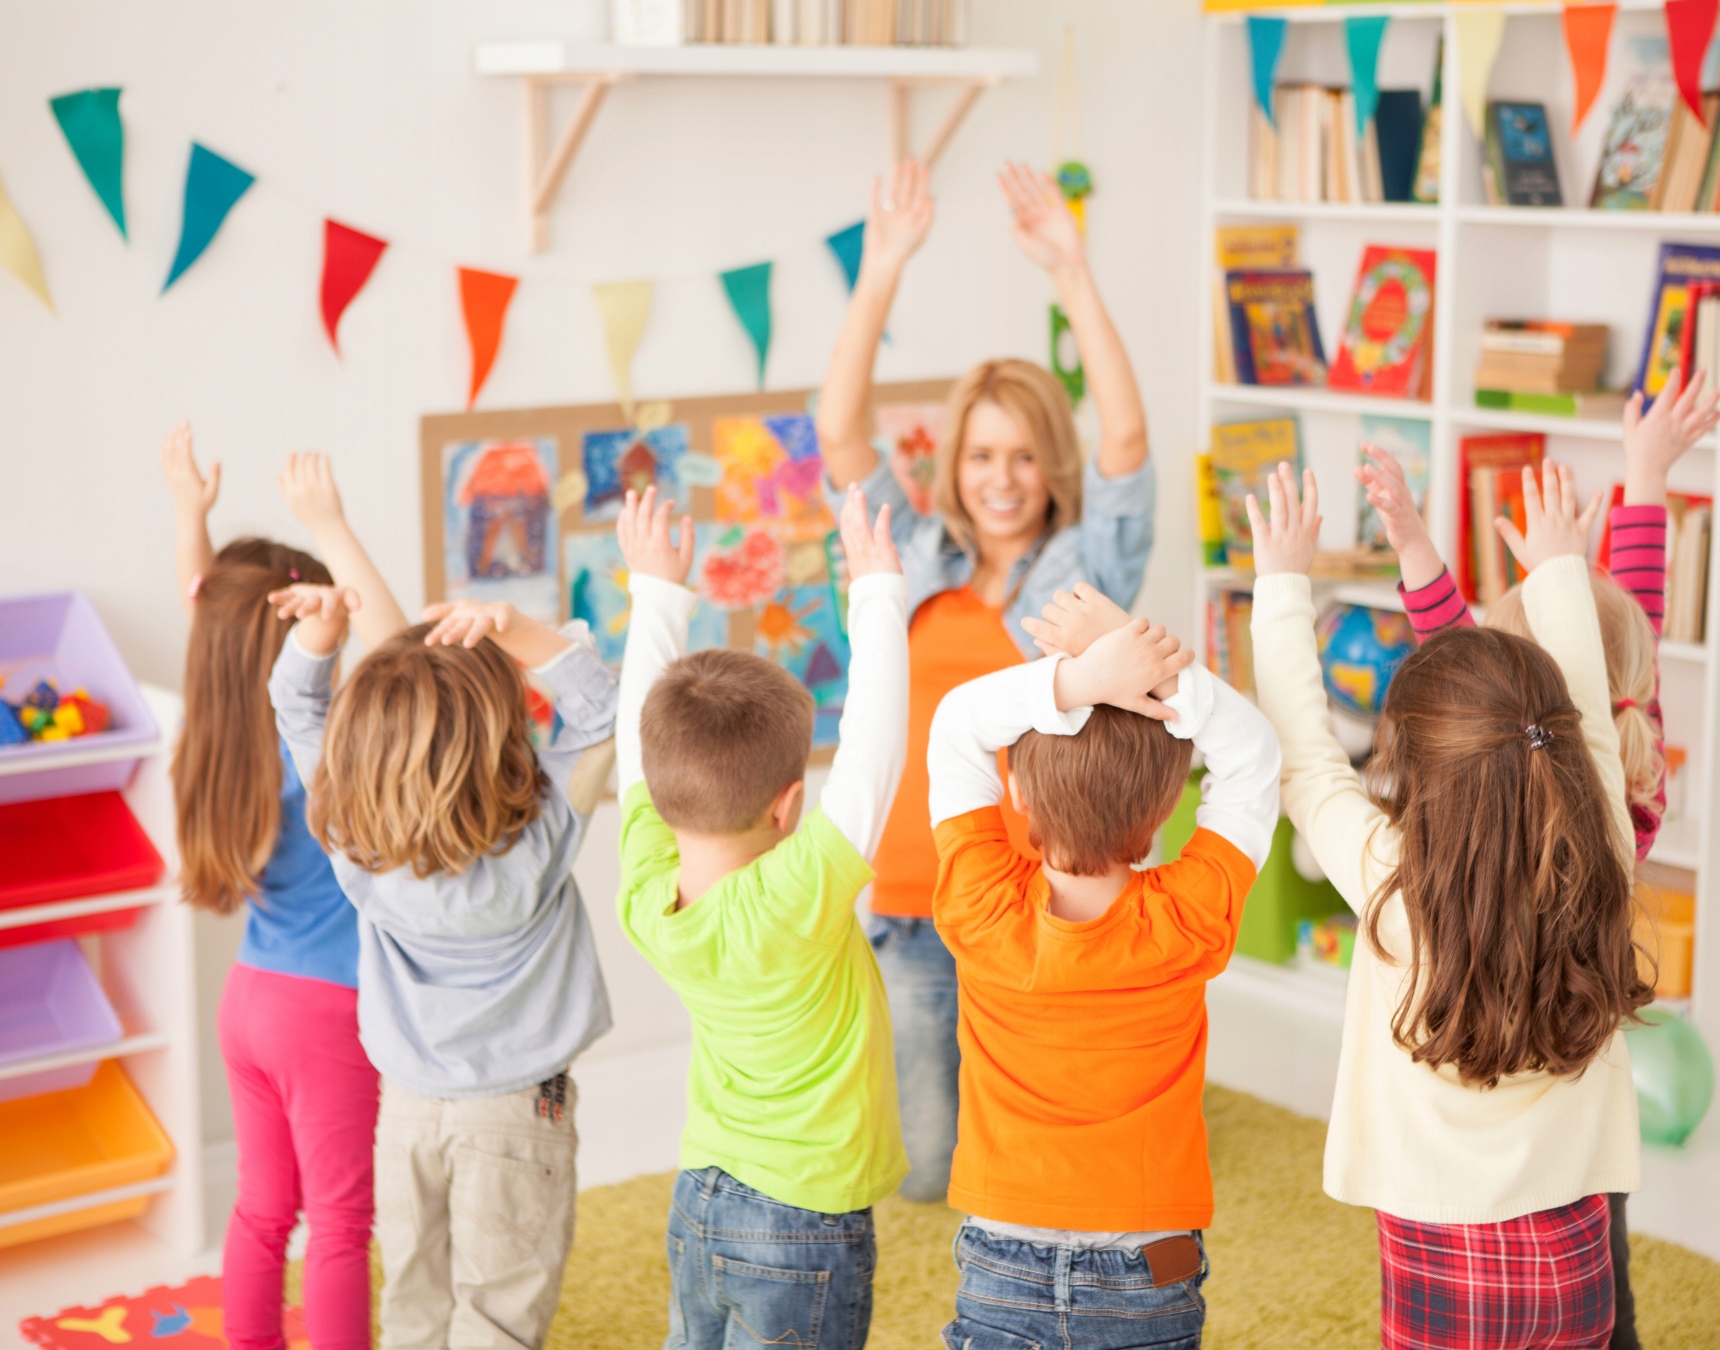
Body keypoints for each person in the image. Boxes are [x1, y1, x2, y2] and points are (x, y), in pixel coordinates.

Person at [1248, 462, 1653, 1350]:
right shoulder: (1606, 849)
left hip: (1442, 1265)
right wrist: (1559, 569)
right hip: (1574, 1268)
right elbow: (1586, 725)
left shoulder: (1393, 882)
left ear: (1418, 767)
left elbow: (1306, 764)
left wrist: (1280, 585)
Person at [1357, 370, 1720, 1348]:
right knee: (1603, 1271)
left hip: (1497, 1106)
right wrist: (1644, 478)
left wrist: (1416, 546)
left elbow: (1460, 666)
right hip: (1579, 1096)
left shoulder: (1562, 795)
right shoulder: (1625, 792)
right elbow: (1629, 624)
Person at [815, 158, 1156, 1200]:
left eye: (1022, 456)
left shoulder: (1089, 566)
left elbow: (1127, 439)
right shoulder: (912, 552)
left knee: (1047, 1163)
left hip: (1041, 899)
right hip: (912, 901)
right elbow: (838, 435)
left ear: (1051, 464)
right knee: (928, 1174)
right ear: (952, 465)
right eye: (979, 456)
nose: (1001, 479)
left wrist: (1071, 273)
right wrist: (881, 267)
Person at [267, 572, 616, 1347]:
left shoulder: (351, 839)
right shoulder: (542, 837)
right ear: (501, 738)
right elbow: (605, 711)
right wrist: (516, 629)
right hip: (517, 1110)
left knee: (413, 1304)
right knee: (497, 1316)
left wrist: (319, 636)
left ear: (359, 752)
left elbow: (296, 706)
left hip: (407, 1108)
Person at [923, 598, 1278, 1349]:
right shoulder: (1188, 918)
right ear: (1164, 813)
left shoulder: (980, 908)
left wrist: (1082, 679)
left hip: (1001, 1255)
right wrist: (1143, 656)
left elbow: (955, 724)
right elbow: (1252, 752)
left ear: (1017, 793)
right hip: (1149, 1264)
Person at [613, 484, 908, 1350]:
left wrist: (655, 592)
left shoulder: (647, 889)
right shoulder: (792, 901)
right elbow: (874, 753)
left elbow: (637, 754)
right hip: (803, 1220)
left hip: (700, 1198)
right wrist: (877, 589)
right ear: (788, 806)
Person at [162, 429, 399, 1350]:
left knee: (263, 1210)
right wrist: (334, 535)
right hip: (325, 1011)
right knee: (340, 1223)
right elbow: (403, 651)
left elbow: (209, 619)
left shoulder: (214, 735)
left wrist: (190, 517)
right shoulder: (320, 742)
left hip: (250, 1001)